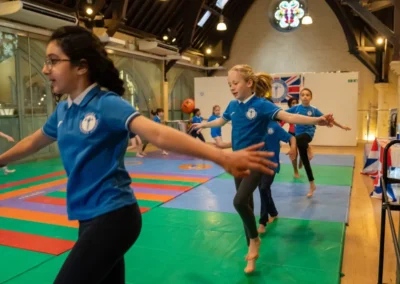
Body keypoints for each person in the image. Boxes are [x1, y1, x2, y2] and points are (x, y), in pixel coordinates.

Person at [0, 28, 278, 283]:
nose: (45, 69)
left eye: (52, 60)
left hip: (113, 215)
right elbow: (33, 142)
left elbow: (157, 134)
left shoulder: (106, 104)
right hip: (86, 216)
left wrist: (221, 157)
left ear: (81, 66)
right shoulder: (64, 111)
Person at [193, 65, 334, 274]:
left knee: (239, 201)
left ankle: (255, 240)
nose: (232, 87)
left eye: (235, 83)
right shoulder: (233, 105)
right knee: (246, 206)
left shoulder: (261, 105)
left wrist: (317, 120)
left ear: (249, 83)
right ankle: (251, 254)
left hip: (256, 161)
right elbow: (222, 120)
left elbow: (290, 117)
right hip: (237, 161)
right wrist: (203, 125)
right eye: (229, 84)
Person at [285, 87, 351, 197]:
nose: (305, 96)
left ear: (311, 97)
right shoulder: (295, 108)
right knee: (305, 162)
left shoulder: (314, 110)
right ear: (300, 97)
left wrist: (342, 126)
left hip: (308, 135)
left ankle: (308, 147)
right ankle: (312, 185)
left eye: (307, 95)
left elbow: (329, 119)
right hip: (298, 136)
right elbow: (281, 113)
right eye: (303, 95)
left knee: (294, 141)